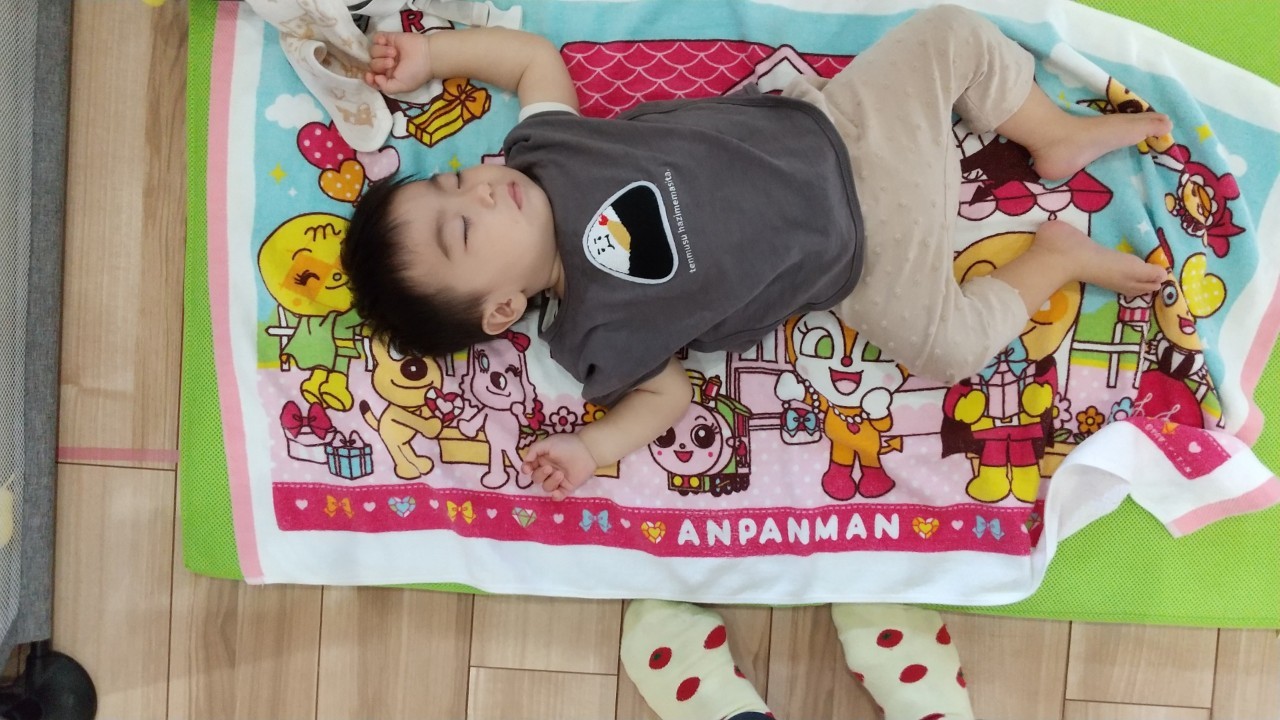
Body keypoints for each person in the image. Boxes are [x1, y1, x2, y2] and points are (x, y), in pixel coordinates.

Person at [342, 5, 1169, 503]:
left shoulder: (545, 150)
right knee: (948, 347)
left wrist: (434, 56)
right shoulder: (593, 336)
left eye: (454, 180)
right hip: (863, 259)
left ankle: (1051, 133)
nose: (481, 192)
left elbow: (531, 61)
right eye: (462, 229)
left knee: (949, 30)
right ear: (500, 308)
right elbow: (666, 397)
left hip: (843, 128)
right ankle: (1054, 257)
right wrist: (591, 450)